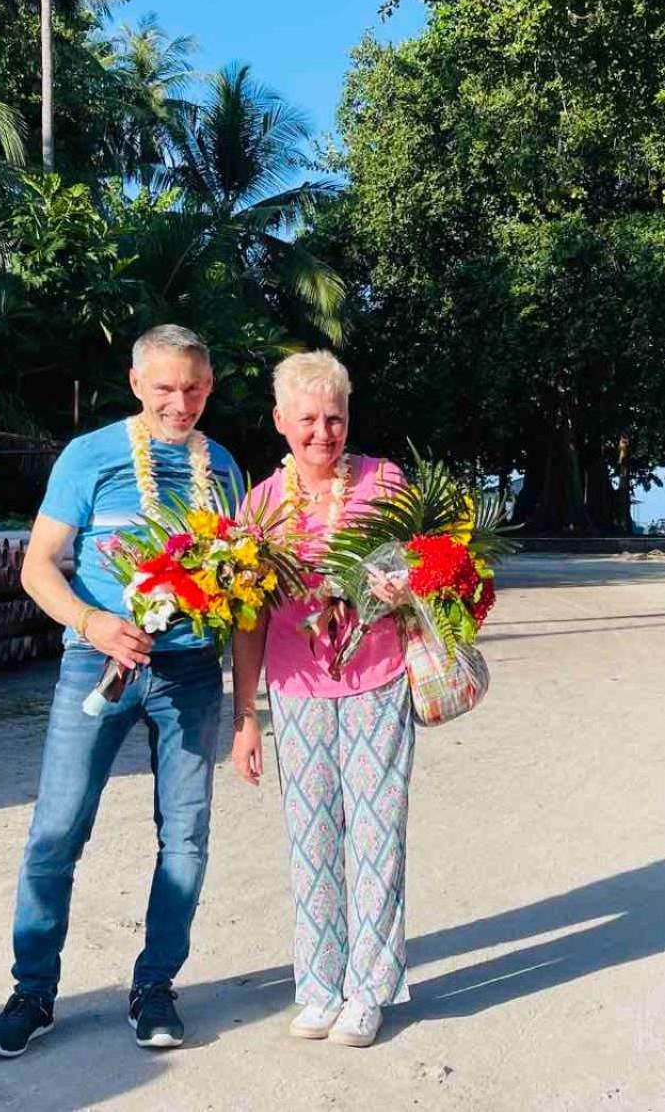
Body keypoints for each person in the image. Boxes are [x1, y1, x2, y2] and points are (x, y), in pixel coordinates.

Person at [0, 325, 243, 1059]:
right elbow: (38, 567)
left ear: (209, 385)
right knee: (56, 831)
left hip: (190, 673)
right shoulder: (89, 456)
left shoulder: (222, 467)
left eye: (192, 388)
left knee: (185, 837)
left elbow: (243, 575)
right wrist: (93, 623)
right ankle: (32, 992)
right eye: (164, 388)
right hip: (95, 667)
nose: (179, 402)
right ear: (135, 385)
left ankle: (155, 987)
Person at [230, 351, 413, 1050]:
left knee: (374, 838)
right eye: (307, 418)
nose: (322, 432)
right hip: (296, 692)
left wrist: (401, 586)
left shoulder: (384, 481)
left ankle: (369, 991)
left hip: (376, 683)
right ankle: (318, 987)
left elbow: (416, 576)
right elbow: (246, 619)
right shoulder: (260, 506)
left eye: (334, 417)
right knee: (309, 842)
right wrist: (246, 718)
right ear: (280, 421)